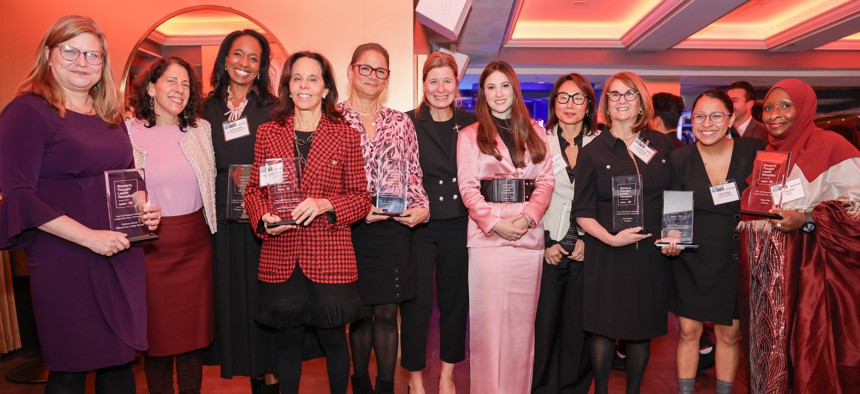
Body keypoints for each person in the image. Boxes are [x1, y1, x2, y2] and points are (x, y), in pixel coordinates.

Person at [0, 15, 161, 393]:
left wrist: (143, 207)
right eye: (70, 50)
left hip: (119, 252)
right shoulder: (27, 112)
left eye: (93, 54)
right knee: (71, 366)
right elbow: (19, 195)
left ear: (104, 63)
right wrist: (89, 238)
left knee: (120, 363)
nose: (82, 62)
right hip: (65, 257)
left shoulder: (109, 114)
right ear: (48, 55)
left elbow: (125, 174)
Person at [244, 51, 369, 394]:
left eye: (312, 79)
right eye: (297, 78)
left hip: (330, 256)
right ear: (287, 85)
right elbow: (254, 190)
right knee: (286, 340)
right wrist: (263, 217)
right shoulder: (269, 133)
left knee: (333, 339)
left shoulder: (345, 136)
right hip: (281, 255)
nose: (304, 86)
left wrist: (326, 203)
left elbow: (361, 198)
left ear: (326, 88)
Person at [738, 78, 860, 393]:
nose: (775, 114)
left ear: (805, 107)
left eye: (786, 106)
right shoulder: (768, 154)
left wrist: (807, 219)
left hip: (812, 273)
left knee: (805, 349)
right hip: (766, 277)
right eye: (769, 108)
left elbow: (857, 208)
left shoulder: (831, 145)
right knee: (768, 348)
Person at [572, 71, 673, 394]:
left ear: (641, 100)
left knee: (639, 330)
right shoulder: (593, 150)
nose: (622, 101)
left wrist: (675, 235)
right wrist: (611, 239)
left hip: (649, 254)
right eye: (614, 95)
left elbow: (676, 196)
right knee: (603, 329)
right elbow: (582, 211)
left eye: (629, 94)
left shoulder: (661, 145)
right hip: (607, 252)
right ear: (606, 104)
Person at [337, 42, 430, 394]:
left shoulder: (401, 122)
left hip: (393, 229)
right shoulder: (333, 118)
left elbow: (414, 174)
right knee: (359, 314)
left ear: (388, 78)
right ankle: (360, 385)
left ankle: (386, 387)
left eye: (380, 71)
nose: (372, 76)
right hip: (350, 229)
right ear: (351, 71)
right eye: (365, 68)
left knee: (389, 314)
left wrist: (422, 208)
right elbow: (325, 180)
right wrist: (357, 209)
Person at [659, 89, 765, 394]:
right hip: (691, 257)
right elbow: (676, 209)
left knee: (729, 334)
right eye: (700, 117)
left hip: (734, 255)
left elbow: (766, 196)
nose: (708, 123)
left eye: (716, 115)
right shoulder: (680, 158)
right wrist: (672, 237)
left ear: (730, 119)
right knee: (689, 331)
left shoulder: (752, 151)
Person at [457, 60, 553, 393]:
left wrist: (527, 218)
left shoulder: (537, 132)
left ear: (515, 90)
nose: (498, 94)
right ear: (483, 93)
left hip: (528, 240)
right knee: (488, 328)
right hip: (488, 241)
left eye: (504, 86)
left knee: (520, 329)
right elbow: (468, 188)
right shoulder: (470, 136)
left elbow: (546, 180)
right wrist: (497, 224)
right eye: (491, 87)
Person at [126, 56, 216, 394]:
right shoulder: (127, 132)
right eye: (171, 81)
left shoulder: (201, 130)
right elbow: (119, 188)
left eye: (185, 83)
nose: (179, 89)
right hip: (151, 248)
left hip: (196, 245)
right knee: (158, 339)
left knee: (193, 339)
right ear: (151, 87)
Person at [202, 29, 279, 393]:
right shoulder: (205, 108)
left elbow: (283, 164)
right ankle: (252, 376)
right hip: (222, 218)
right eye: (238, 54)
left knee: (265, 300)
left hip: (263, 217)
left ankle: (272, 380)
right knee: (236, 299)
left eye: (253, 58)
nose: (244, 64)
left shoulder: (275, 108)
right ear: (225, 58)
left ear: (262, 66)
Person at [400, 52, 475, 394]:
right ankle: (415, 379)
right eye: (434, 81)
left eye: (447, 80)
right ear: (423, 84)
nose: (440, 88)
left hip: (459, 222)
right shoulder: (407, 122)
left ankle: (447, 374)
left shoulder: (473, 122)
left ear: (456, 84)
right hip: (420, 223)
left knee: (455, 301)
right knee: (417, 304)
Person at [531, 73, 597, 394]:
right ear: (554, 103)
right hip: (547, 246)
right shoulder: (537, 142)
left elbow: (606, 199)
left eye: (578, 98)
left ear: (589, 105)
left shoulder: (603, 145)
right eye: (563, 97)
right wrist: (545, 242)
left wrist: (587, 239)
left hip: (587, 248)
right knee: (543, 325)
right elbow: (528, 195)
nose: (570, 105)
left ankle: (572, 388)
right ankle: (541, 387)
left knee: (577, 327)